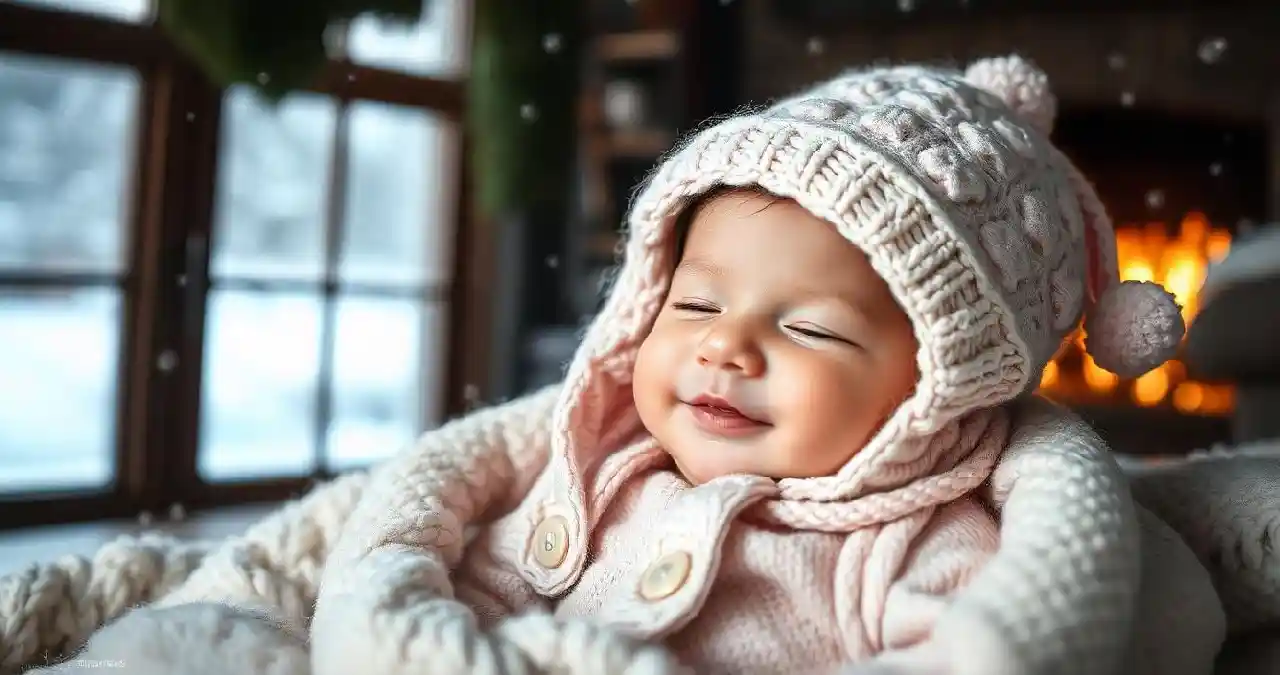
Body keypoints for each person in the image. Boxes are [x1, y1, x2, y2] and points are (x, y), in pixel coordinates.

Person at [304, 56, 1225, 675]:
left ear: (939, 388)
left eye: (814, 330)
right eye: (694, 303)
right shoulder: (598, 472)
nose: (724, 345)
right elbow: (484, 581)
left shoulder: (912, 541)